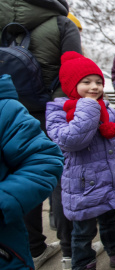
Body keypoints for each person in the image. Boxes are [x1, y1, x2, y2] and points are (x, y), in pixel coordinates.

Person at [0, 0, 82, 268]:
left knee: (14, 175)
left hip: (6, 107)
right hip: (49, 110)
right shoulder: (61, 22)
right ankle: (70, 250)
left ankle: (33, 247)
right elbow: (72, 72)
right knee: (57, 174)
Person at [46, 51, 115, 270]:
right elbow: (72, 140)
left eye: (98, 82)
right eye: (86, 82)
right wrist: (89, 107)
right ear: (71, 85)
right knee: (83, 232)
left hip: (110, 181)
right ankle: (83, 263)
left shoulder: (108, 111)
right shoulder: (58, 112)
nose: (95, 87)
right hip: (83, 187)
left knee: (112, 224)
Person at [0, 74, 64, 270]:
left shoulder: (6, 110)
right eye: (87, 82)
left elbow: (44, 159)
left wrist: (4, 200)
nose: (94, 87)